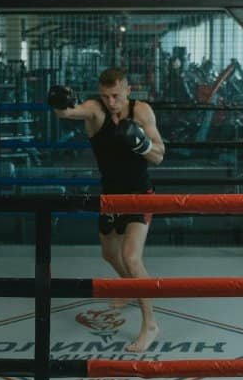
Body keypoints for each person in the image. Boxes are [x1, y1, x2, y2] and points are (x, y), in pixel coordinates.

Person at [47, 67, 166, 352]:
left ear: (128, 89)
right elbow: (69, 113)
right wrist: (58, 104)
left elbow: (159, 156)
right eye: (105, 96)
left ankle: (150, 324)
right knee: (108, 253)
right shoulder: (95, 109)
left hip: (139, 196)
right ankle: (128, 288)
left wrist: (140, 144)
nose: (111, 102)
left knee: (131, 257)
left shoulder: (142, 112)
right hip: (110, 197)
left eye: (115, 95)